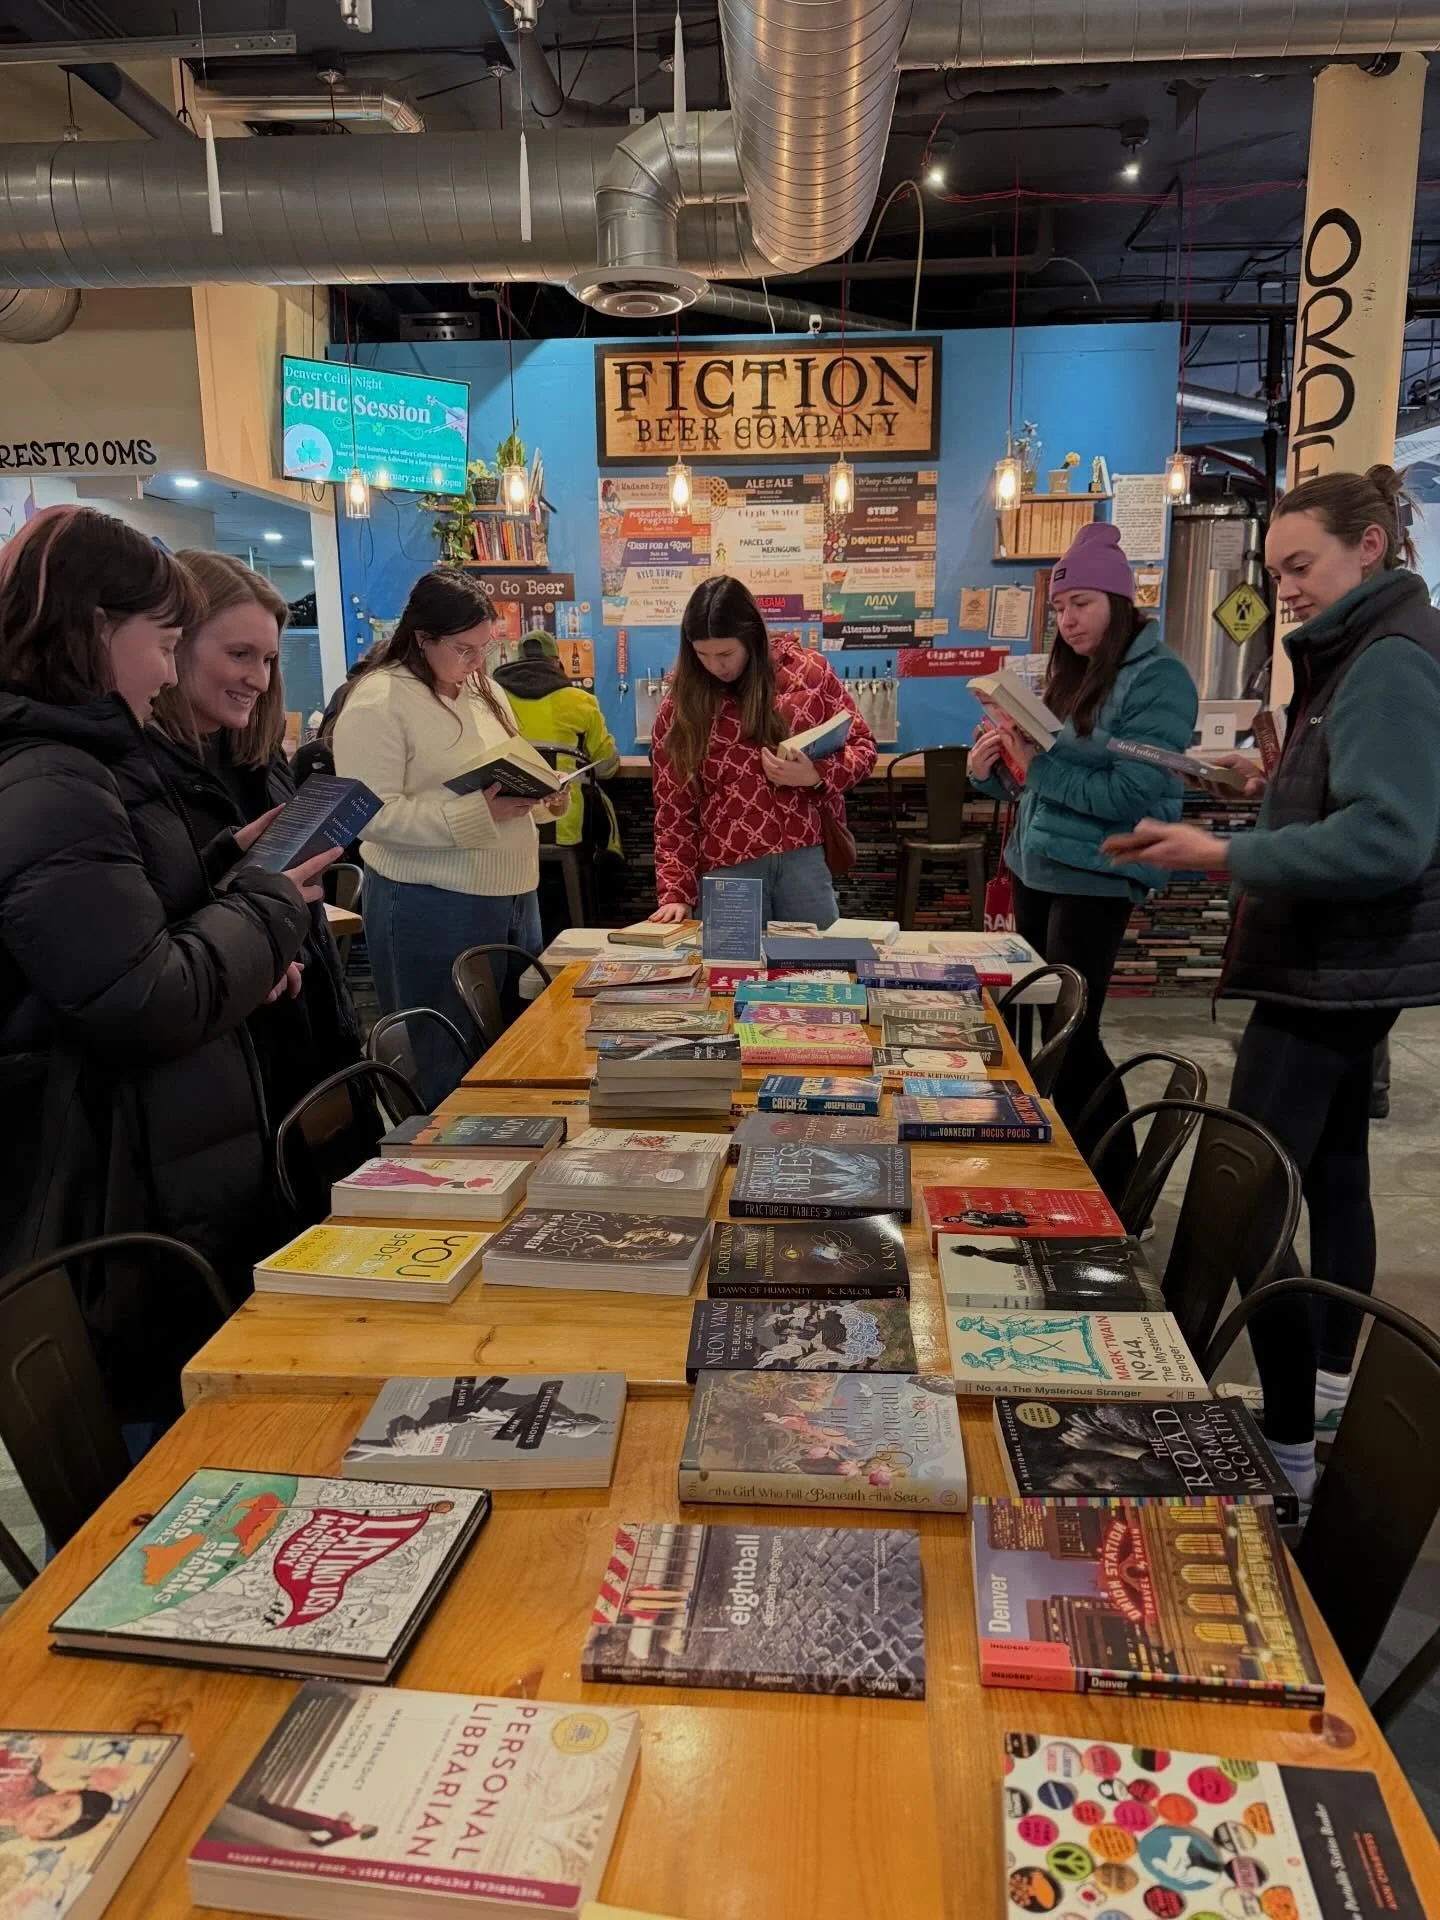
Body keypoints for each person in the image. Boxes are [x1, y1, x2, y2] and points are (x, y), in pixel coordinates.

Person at [1103, 466, 1440, 1504]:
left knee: (1246, 1201)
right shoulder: (1368, 654)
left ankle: (1287, 1444)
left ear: (1370, 548)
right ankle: (1328, 1390)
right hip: (1343, 964)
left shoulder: (1387, 661)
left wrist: (1224, 855)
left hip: (1328, 968)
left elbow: (1391, 834)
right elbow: (1357, 798)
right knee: (1331, 1173)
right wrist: (1268, 788)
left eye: (1300, 565)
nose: (1284, 587)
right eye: (1277, 568)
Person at [0, 507, 333, 1442]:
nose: (166, 669)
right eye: (167, 641)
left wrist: (229, 872)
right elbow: (141, 998)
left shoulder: (78, 766)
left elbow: (136, 931)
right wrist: (264, 904)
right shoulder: (53, 779)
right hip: (118, 1197)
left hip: (162, 1172)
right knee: (176, 1455)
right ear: (98, 627)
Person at [968, 523, 1199, 1195]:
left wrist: (1036, 769)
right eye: (1060, 609)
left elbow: (1136, 794)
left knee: (1077, 1031)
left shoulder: (1160, 679)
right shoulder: (1065, 672)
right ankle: (1068, 1166)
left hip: (1097, 875)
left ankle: (1121, 1186)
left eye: (1083, 605)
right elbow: (1037, 774)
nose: (1068, 621)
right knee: (1041, 1026)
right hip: (1036, 865)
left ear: (1121, 603)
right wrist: (995, 769)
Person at [331, 569, 565, 1102]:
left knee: (513, 1054)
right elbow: (370, 815)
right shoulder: (379, 700)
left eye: (485, 648)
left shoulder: (484, 690)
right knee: (448, 1065)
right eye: (465, 649)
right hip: (430, 902)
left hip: (511, 895)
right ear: (422, 638)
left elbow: (509, 773)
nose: (478, 662)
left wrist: (544, 799)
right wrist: (476, 814)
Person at [149, 551, 363, 1126]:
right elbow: (148, 939)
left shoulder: (257, 755)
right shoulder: (136, 776)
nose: (259, 679)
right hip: (219, 1061)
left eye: (268, 659)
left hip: (308, 1025)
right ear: (173, 646)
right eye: (239, 655)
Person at [649, 575, 877, 927]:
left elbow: (863, 746)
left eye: (726, 653)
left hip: (804, 858)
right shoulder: (681, 705)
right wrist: (676, 891)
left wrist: (817, 775)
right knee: (727, 978)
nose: (715, 666)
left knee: (817, 973)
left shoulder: (809, 674)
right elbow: (673, 809)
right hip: (727, 867)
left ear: (752, 637)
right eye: (702, 654)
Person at [493, 628, 622, 936]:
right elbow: (605, 767)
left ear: (515, 660)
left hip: (505, 822)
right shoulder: (580, 701)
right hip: (565, 825)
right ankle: (584, 930)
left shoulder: (493, 699)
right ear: (556, 662)